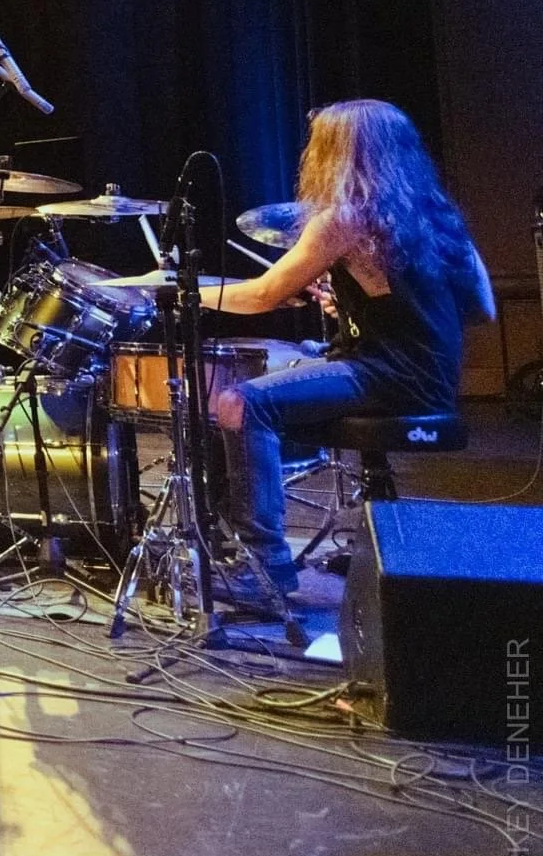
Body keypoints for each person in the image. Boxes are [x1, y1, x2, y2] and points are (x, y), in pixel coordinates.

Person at [202, 99, 492, 599]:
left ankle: (264, 566)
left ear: (335, 153)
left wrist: (179, 290)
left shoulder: (344, 218)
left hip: (385, 372)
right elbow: (482, 308)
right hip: (431, 376)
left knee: (238, 401)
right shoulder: (436, 215)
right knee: (281, 373)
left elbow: (263, 295)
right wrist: (373, 307)